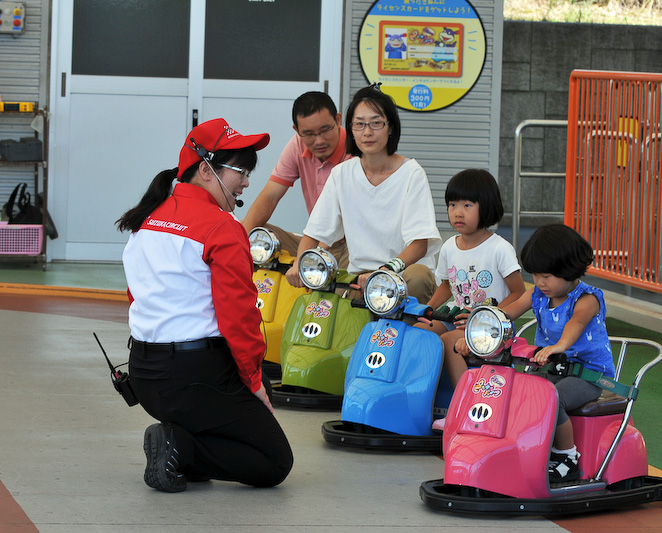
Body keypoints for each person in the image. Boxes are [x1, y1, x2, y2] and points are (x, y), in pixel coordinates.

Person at [116, 118, 293, 493]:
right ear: (205, 170)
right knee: (274, 461)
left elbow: (137, 297)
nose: (246, 182)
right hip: (196, 376)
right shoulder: (222, 227)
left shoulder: (147, 219)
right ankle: (179, 446)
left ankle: (178, 444)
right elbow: (239, 315)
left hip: (145, 375)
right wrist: (256, 381)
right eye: (241, 171)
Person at [454, 223, 615, 483]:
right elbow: (508, 313)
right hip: (550, 367)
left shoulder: (587, 299)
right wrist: (475, 335)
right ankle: (522, 449)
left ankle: (566, 457)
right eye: (536, 275)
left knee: (552, 398)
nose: (540, 282)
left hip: (588, 374)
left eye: (548, 275)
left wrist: (559, 346)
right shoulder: (538, 294)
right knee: (518, 393)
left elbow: (575, 324)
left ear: (570, 269)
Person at [286, 83, 441, 302]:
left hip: (401, 273)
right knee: (326, 302)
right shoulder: (342, 174)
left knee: (419, 276)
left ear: (391, 127)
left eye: (376, 123)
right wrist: (298, 262)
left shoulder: (411, 173)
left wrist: (385, 271)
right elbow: (314, 233)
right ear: (350, 129)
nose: (367, 132)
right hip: (359, 277)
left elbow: (420, 243)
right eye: (359, 125)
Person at [417, 169, 525, 393]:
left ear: (485, 206)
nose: (458, 213)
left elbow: (519, 293)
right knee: (419, 332)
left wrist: (486, 318)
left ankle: (463, 402)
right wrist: (427, 309)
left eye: (467, 206)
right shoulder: (449, 246)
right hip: (457, 317)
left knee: (449, 342)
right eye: (453, 205)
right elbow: (447, 285)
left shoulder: (499, 248)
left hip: (490, 327)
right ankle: (423, 394)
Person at [242, 91, 350, 267]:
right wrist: (239, 240)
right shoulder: (297, 145)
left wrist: (311, 255)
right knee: (249, 232)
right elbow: (270, 196)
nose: (319, 141)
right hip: (313, 242)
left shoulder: (356, 151)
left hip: (349, 246)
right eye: (308, 133)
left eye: (325, 130)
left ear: (338, 120)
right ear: (297, 130)